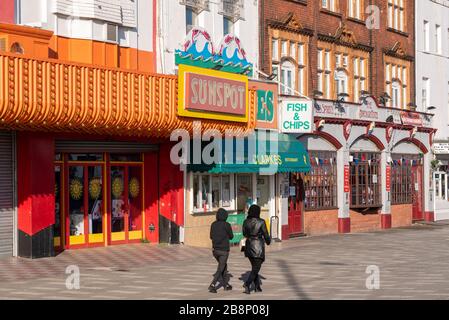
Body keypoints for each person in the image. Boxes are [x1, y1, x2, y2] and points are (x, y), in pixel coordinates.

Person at [242, 204, 271, 294]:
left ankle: (257, 287)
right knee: (256, 268)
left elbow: (244, 233)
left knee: (255, 267)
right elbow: (265, 234)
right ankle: (247, 284)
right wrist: (268, 241)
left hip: (249, 246)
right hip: (258, 246)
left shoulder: (245, 221)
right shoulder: (261, 222)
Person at [209, 208, 234, 293]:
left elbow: (211, 236)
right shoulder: (227, 225)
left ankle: (226, 285)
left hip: (215, 250)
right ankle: (212, 285)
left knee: (223, 266)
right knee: (220, 268)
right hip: (224, 250)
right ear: (225, 216)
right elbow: (231, 236)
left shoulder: (213, 224)